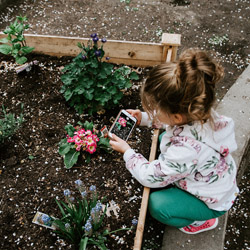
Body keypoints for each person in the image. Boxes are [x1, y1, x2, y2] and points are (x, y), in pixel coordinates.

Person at [109, 48, 239, 234]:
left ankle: (200, 221)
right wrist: (144, 118)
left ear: (177, 117)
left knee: (157, 205)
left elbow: (149, 177)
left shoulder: (185, 151)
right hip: (214, 179)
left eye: (156, 108)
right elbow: (170, 123)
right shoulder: (201, 113)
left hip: (210, 201)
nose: (154, 110)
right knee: (164, 137)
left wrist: (128, 152)